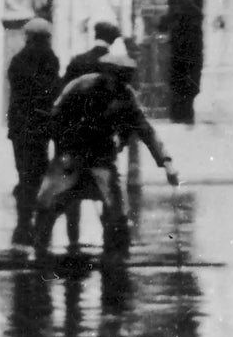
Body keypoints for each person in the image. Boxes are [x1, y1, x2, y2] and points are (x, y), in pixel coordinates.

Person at [33, 39, 179, 259]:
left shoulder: (125, 96)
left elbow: (145, 130)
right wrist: (62, 147)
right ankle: (40, 251)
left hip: (101, 159)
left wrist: (166, 162)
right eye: (116, 77)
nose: (119, 83)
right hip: (71, 155)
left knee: (117, 210)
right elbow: (55, 117)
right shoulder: (80, 88)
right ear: (106, 74)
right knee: (47, 201)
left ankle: (116, 257)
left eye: (123, 79)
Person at [5, 15, 62, 246]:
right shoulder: (50, 59)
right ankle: (36, 226)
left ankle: (23, 226)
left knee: (24, 173)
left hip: (20, 127)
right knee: (38, 173)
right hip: (41, 127)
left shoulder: (18, 60)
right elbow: (52, 90)